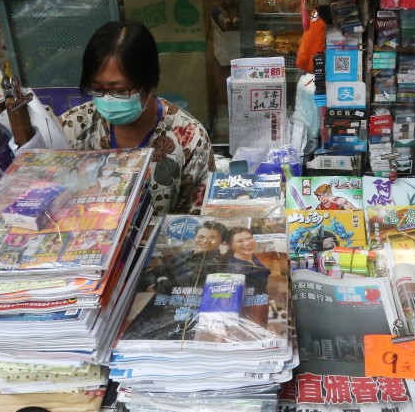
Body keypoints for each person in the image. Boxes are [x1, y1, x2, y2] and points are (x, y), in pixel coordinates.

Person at [60, 21, 215, 216]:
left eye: (119, 90)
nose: (107, 99)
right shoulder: (72, 128)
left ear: (148, 82)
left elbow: (195, 220)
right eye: (98, 89)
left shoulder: (189, 139)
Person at [143, 220, 226, 294]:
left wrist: (155, 285)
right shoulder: (185, 253)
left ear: (221, 242)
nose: (205, 241)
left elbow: (174, 285)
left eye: (212, 238)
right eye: (201, 237)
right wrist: (150, 283)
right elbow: (154, 272)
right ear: (195, 237)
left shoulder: (213, 262)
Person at [224, 226, 270, 292]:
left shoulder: (251, 256)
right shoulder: (236, 269)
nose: (247, 243)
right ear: (231, 245)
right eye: (239, 241)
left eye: (249, 238)